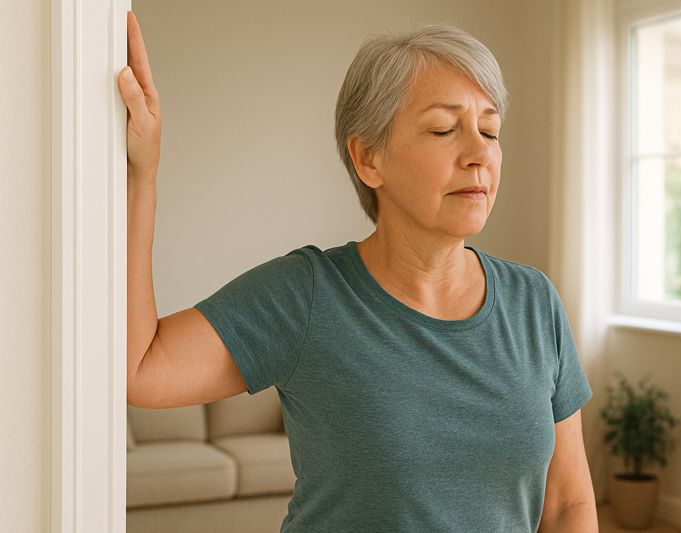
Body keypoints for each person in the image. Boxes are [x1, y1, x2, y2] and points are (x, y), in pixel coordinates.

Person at [120, 10, 597, 532]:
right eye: (444, 128)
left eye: (490, 129)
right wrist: (143, 172)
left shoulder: (534, 302)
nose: (479, 152)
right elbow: (141, 368)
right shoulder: (307, 296)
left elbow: (568, 503)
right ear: (369, 158)